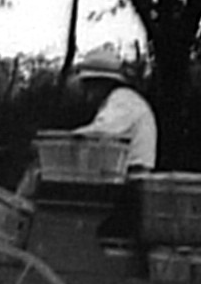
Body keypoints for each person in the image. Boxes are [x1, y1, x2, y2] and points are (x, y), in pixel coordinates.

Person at [17, 44, 158, 199]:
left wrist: (54, 143)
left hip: (130, 179)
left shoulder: (123, 101)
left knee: (44, 172)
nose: (87, 91)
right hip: (119, 174)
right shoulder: (117, 101)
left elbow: (98, 132)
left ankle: (21, 205)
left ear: (101, 82)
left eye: (90, 85)